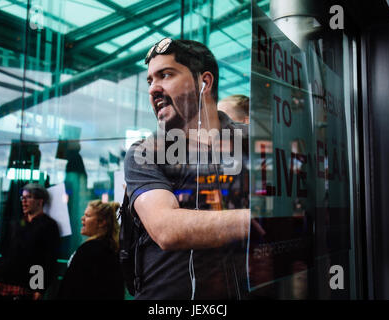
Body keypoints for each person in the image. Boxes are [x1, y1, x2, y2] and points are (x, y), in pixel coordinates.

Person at [124, 38, 251, 299]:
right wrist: (263, 221)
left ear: (204, 82)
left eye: (165, 75)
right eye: (149, 81)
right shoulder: (145, 152)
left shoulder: (253, 142)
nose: (153, 89)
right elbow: (167, 229)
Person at [0, 183, 60, 300]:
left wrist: (38, 288)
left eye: (28, 197)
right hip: (6, 281)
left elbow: (47, 259)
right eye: (22, 198)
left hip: (26, 285)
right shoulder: (17, 224)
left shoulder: (49, 225)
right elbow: (6, 252)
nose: (24, 201)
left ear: (40, 201)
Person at [57, 200, 124, 300]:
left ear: (101, 222)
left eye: (87, 216)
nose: (82, 218)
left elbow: (72, 286)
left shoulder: (90, 249)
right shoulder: (111, 248)